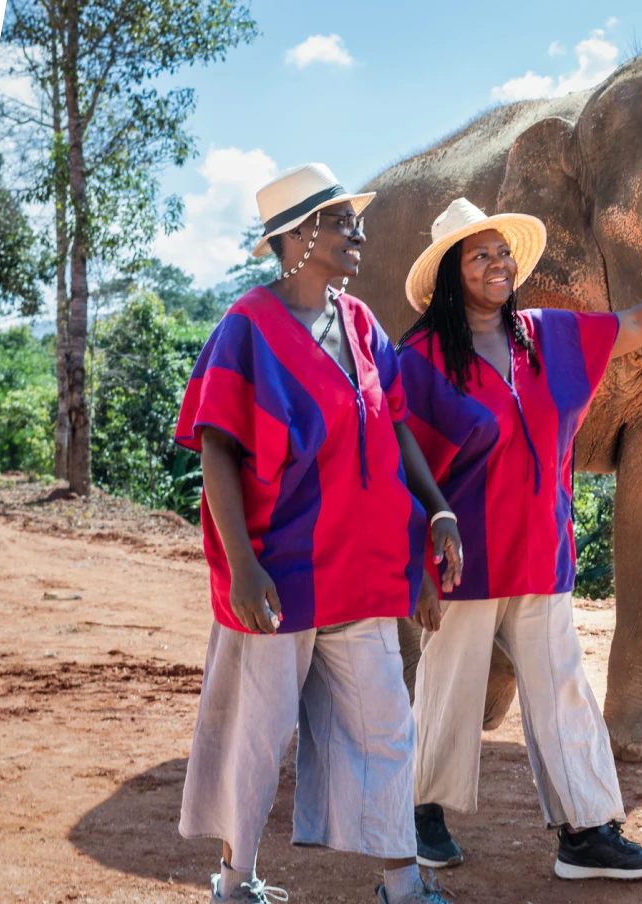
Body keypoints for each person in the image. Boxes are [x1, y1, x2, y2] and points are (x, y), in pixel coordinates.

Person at [396, 197, 642, 880]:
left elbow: (636, 324)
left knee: (564, 691)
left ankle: (587, 832)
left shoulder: (547, 337)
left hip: (542, 558)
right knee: (446, 693)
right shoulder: (420, 361)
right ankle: (420, 813)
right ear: (451, 275)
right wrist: (415, 570)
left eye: (501, 252)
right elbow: (403, 472)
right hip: (462, 567)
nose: (497, 264)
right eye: (478, 255)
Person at [174, 163, 465, 904]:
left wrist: (434, 510)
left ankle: (402, 882)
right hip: (281, 572)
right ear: (298, 237)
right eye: (341, 221)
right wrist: (241, 565)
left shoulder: (360, 324)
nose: (357, 233)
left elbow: (394, 429)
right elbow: (216, 449)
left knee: (386, 726)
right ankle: (234, 883)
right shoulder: (246, 326)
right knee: (260, 736)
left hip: (360, 571)